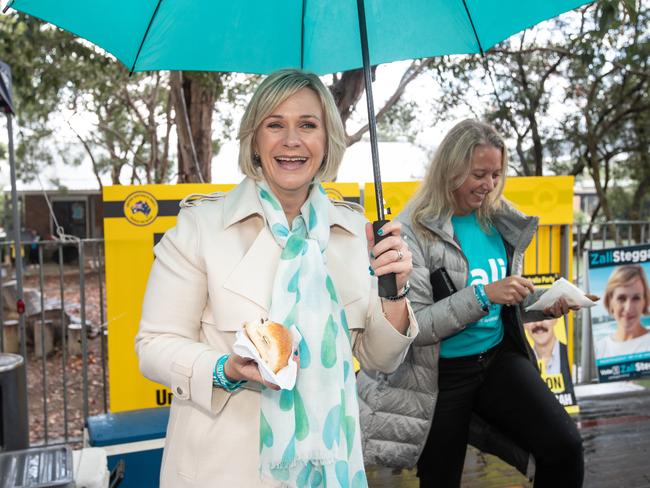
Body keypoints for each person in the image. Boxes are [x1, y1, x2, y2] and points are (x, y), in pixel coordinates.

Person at [136, 69, 418, 488]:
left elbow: (380, 357)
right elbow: (153, 345)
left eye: (308, 125)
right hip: (223, 472)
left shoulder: (354, 233)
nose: (291, 140)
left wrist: (394, 289)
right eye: (275, 125)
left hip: (332, 469)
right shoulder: (201, 227)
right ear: (255, 138)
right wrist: (224, 369)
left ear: (327, 141)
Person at [357, 119, 584, 487]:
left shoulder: (496, 220)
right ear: (451, 169)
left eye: (496, 174)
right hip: (439, 376)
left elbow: (503, 301)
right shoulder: (413, 230)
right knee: (441, 478)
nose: (489, 185)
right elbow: (416, 328)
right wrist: (484, 294)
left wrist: (546, 303)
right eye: (479, 174)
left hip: (496, 361)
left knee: (565, 445)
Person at [595, 265, 650, 359]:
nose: (628, 308)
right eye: (621, 298)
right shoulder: (599, 349)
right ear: (610, 301)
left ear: (645, 301)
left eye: (636, 298)